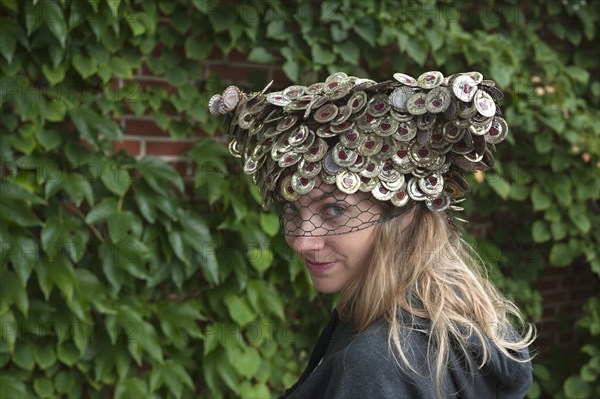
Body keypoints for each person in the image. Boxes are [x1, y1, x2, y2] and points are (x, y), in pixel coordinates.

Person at [209, 71, 535, 398]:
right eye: (292, 210)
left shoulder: (375, 365)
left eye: (334, 211)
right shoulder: (442, 323)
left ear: (403, 211)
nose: (301, 241)